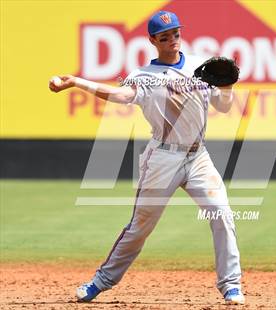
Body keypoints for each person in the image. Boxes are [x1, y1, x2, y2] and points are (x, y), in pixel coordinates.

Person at [49, 10, 244, 305]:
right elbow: (120, 96)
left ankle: (231, 286)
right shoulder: (142, 76)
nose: (172, 41)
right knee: (141, 227)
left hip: (198, 157)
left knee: (222, 214)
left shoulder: (198, 66)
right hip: (162, 159)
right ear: (152, 40)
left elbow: (224, 107)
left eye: (175, 34)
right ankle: (99, 282)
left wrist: (227, 88)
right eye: (164, 37)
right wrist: (78, 81)